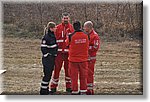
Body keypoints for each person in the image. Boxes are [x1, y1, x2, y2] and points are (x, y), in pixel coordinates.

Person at [50, 13, 74, 93]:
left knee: (68, 71)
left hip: (68, 54)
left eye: (67, 18)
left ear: (69, 19)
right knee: (56, 70)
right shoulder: (57, 28)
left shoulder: (72, 28)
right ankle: (53, 87)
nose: (66, 20)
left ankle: (69, 87)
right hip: (59, 53)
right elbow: (53, 39)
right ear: (62, 19)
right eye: (64, 18)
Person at [66, 21, 89, 95]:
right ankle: (83, 91)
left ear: (73, 27)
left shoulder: (71, 36)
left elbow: (66, 44)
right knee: (83, 76)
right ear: (81, 26)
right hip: (84, 60)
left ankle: (75, 91)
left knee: (74, 77)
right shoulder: (86, 35)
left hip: (73, 60)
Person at [40, 22, 58, 95]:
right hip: (48, 59)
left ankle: (46, 89)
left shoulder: (52, 36)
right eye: (54, 27)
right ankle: (43, 91)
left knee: (49, 75)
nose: (56, 29)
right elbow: (43, 48)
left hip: (51, 59)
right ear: (51, 28)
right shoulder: (46, 37)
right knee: (47, 75)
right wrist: (47, 55)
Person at [83, 21, 100, 95]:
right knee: (85, 74)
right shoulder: (86, 34)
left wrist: (86, 47)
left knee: (89, 74)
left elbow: (95, 47)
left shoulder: (95, 36)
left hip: (91, 58)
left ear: (88, 27)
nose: (83, 28)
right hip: (86, 57)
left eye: (85, 27)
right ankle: (86, 88)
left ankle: (90, 90)